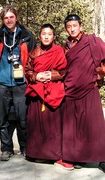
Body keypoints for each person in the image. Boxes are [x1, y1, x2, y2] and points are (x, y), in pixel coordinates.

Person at [0, 6, 36, 161]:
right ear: (3, 20)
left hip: (20, 82)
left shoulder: (27, 35)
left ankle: (24, 147)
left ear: (16, 17)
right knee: (2, 118)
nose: (9, 20)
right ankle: (6, 148)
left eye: (11, 17)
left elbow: (33, 57)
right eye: (6, 18)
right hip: (1, 81)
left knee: (22, 118)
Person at [25, 24, 74, 169]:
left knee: (53, 126)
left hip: (52, 91)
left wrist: (51, 75)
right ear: (39, 36)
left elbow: (65, 70)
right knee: (37, 125)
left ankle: (55, 155)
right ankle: (37, 153)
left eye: (49, 34)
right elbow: (27, 70)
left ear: (54, 37)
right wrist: (36, 76)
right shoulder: (33, 53)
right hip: (37, 92)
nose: (46, 37)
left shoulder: (59, 51)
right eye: (44, 34)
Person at [62, 14, 105, 172]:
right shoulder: (67, 45)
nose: (72, 29)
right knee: (76, 127)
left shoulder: (93, 40)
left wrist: (100, 74)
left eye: (75, 25)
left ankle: (102, 158)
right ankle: (79, 157)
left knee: (95, 126)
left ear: (80, 26)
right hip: (71, 90)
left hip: (89, 88)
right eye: (68, 26)